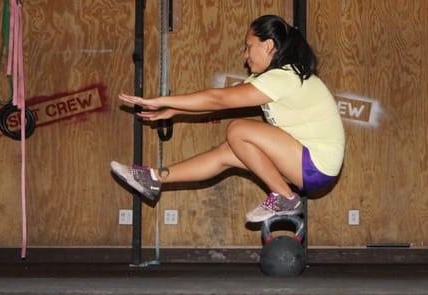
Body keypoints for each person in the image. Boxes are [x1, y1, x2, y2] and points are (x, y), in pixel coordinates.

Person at [111, 15, 345, 223]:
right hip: (309, 167)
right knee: (227, 152)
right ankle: (154, 178)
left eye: (248, 46)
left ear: (269, 45)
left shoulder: (283, 77)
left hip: (316, 165)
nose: (245, 56)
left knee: (238, 130)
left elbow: (218, 100)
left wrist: (164, 100)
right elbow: (220, 101)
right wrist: (177, 110)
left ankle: (285, 198)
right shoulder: (274, 78)